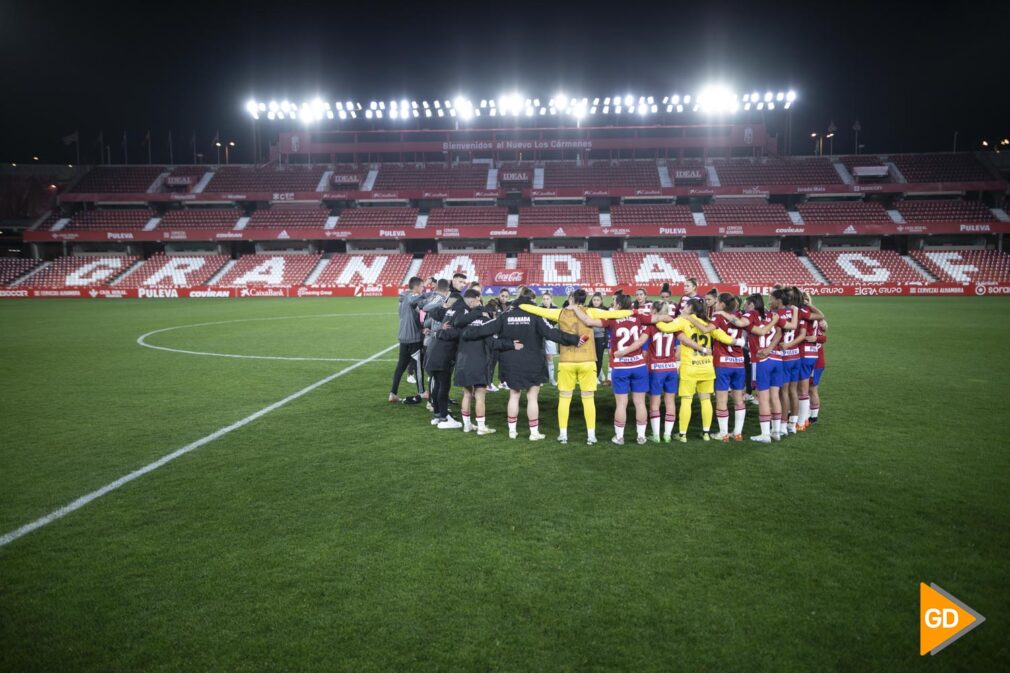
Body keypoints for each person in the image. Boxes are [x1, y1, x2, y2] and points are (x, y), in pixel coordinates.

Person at [520, 289, 633, 445]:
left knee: (565, 399)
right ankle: (591, 436)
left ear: (571, 298)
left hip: (567, 361)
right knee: (588, 400)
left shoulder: (559, 312)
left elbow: (536, 310)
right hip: (587, 360)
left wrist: (519, 305)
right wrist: (634, 312)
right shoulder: (591, 311)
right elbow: (616, 314)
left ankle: (563, 435)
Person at [462, 292, 581, 440]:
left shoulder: (505, 316)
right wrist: (574, 339)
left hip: (511, 362)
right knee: (532, 397)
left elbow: (485, 329)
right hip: (533, 362)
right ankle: (534, 433)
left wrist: (465, 333)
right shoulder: (536, 316)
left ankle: (512, 431)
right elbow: (552, 333)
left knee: (514, 395)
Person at [654, 298, 740, 442]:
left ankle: (682, 435)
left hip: (690, 367)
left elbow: (665, 328)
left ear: (688, 307)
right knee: (705, 400)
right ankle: (706, 433)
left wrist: (656, 318)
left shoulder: (683, 321)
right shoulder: (706, 322)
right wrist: (739, 342)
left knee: (686, 401)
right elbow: (724, 337)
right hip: (706, 367)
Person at [573, 295, 653, 444]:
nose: (612, 304)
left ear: (618, 305)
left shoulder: (612, 318)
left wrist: (575, 308)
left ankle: (620, 437)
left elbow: (588, 321)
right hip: (639, 365)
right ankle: (641, 436)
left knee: (621, 403)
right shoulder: (638, 316)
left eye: (614, 302)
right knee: (640, 403)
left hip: (620, 366)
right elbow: (659, 318)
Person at [453, 290, 520, 435]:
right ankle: (481, 427)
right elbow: (493, 343)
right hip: (479, 362)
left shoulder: (463, 322)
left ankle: (467, 425)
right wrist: (511, 344)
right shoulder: (486, 323)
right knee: (480, 396)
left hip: (463, 361)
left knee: (466, 394)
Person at [720, 294, 783, 442]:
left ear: (752, 305)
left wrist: (723, 313)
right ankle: (777, 432)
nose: (745, 308)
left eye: (747, 304)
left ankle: (765, 434)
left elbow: (741, 323)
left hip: (762, 359)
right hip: (777, 358)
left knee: (764, 398)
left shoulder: (752, 314)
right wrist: (770, 348)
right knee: (775, 396)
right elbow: (779, 332)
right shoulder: (771, 314)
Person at [709, 293, 748, 441]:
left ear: (722, 304)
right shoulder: (738, 316)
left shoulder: (718, 317)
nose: (715, 304)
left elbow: (708, 329)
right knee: (739, 399)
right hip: (739, 363)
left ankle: (723, 433)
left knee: (722, 399)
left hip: (722, 364)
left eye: (717, 302)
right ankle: (737, 433)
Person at [425, 295, 465, 428]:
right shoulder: (460, 313)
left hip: (433, 352)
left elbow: (433, 312)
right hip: (443, 355)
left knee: (437, 385)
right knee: (443, 386)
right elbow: (456, 333)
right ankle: (444, 417)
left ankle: (437, 415)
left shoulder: (448, 312)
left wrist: (437, 331)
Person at [390, 276, 432, 404]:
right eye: (421, 286)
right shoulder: (410, 297)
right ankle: (421, 392)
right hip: (413, 338)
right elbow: (419, 298)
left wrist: (421, 327)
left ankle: (393, 393)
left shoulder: (403, 298)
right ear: (416, 287)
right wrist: (434, 293)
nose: (423, 288)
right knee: (418, 366)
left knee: (401, 366)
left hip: (403, 337)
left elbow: (412, 317)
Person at [589, 292, 609, 383]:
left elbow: (607, 325)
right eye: (594, 300)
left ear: (601, 301)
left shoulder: (605, 310)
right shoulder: (588, 309)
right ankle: (594, 375)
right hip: (590, 337)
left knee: (599, 357)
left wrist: (606, 338)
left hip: (600, 337)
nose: (596, 302)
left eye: (597, 300)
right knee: (591, 358)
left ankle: (596, 376)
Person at [540, 291, 559, 385]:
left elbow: (556, 321)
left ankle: (552, 379)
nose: (545, 301)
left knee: (550, 357)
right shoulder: (539, 308)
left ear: (551, 299)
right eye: (544, 299)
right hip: (540, 336)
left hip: (550, 336)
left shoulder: (555, 309)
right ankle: (541, 379)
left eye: (547, 299)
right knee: (540, 358)